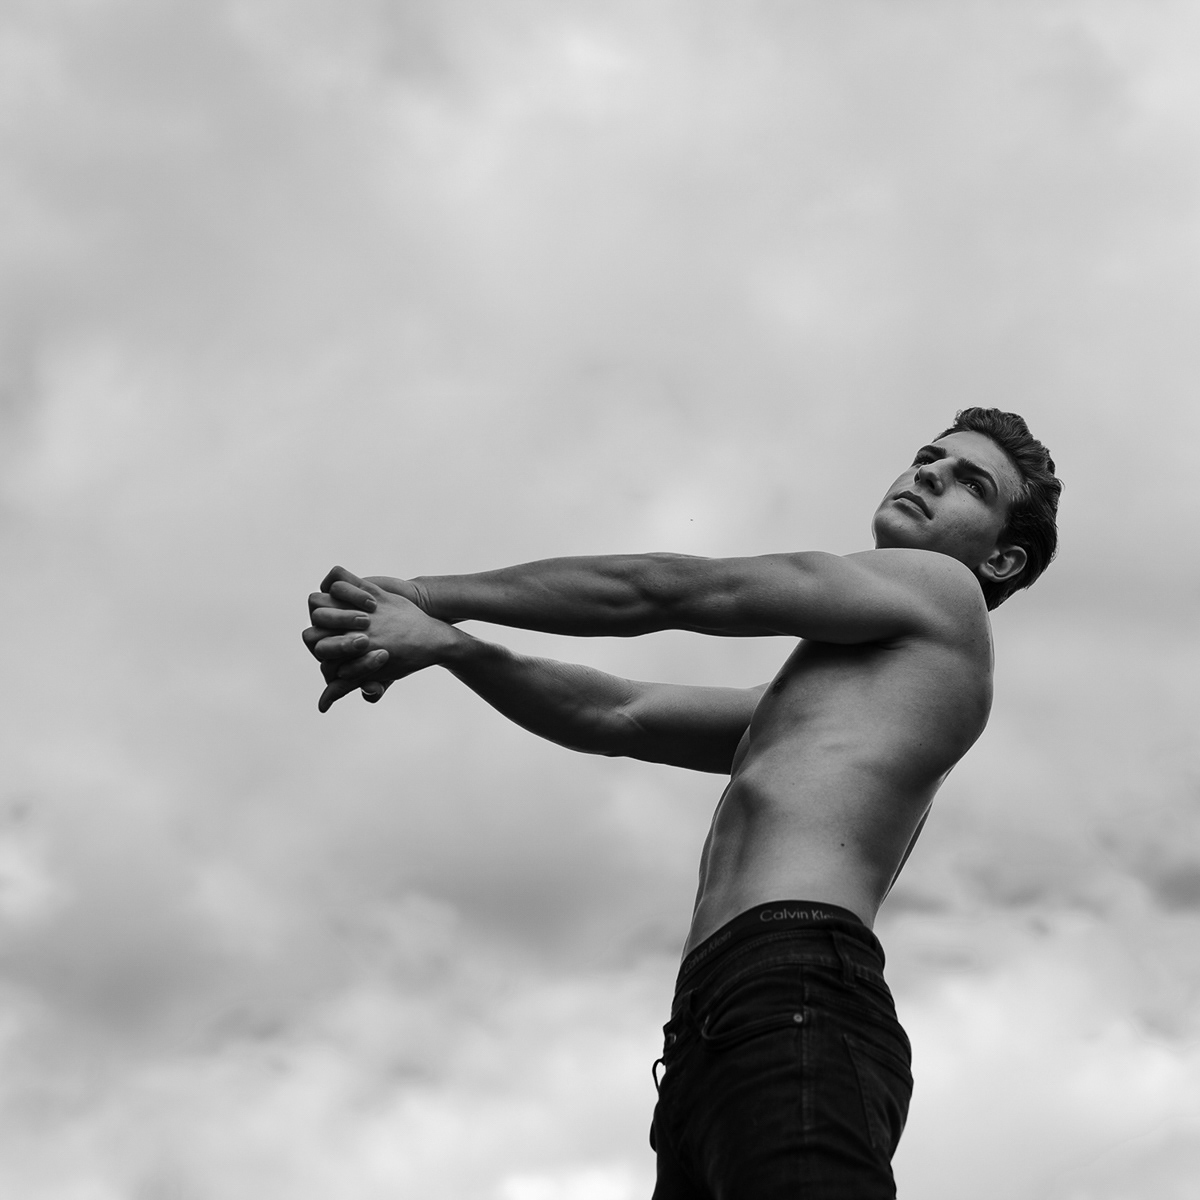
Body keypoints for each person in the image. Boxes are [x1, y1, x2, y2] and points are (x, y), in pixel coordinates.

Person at [302, 407, 1061, 1199]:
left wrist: (429, 596)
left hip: (796, 989)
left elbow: (669, 591)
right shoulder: (827, 701)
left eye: (970, 482)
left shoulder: (944, 590)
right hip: (713, 1026)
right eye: (928, 456)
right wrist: (452, 648)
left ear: (1001, 557)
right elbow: (617, 714)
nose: (930, 473)